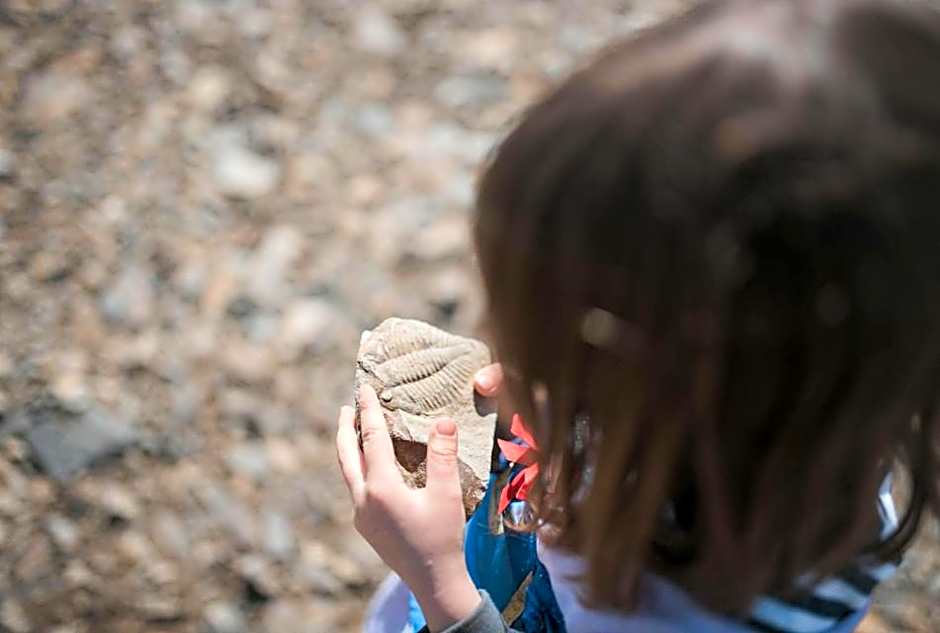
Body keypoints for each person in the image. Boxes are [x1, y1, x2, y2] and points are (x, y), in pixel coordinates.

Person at [336, 0, 940, 631]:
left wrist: (443, 591)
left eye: (560, 340)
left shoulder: (736, 608)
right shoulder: (791, 417)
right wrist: (562, 403)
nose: (498, 344)